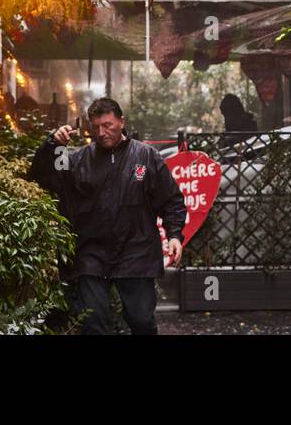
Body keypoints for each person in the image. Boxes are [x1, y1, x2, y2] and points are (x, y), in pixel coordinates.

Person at [29, 97, 186, 335]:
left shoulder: (146, 157)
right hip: (91, 253)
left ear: (121, 122)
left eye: (108, 125)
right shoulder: (77, 160)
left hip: (137, 251)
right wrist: (52, 144)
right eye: (96, 127)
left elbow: (171, 199)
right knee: (94, 324)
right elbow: (41, 177)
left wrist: (175, 235)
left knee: (142, 320)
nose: (102, 132)